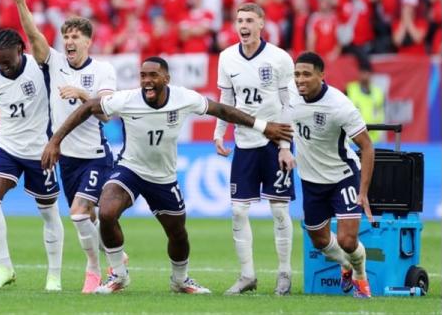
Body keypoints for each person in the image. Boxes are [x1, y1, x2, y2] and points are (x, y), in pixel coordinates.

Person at [41, 57, 293, 294]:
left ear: (166, 78)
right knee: (106, 212)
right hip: (131, 169)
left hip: (163, 177)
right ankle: (118, 274)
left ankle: (180, 279)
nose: (146, 80)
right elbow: (87, 108)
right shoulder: (127, 99)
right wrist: (55, 141)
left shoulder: (183, 98)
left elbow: (222, 110)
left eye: (153, 75)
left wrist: (264, 126)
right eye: (142, 76)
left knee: (177, 233)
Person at [11, 0, 117, 293]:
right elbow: (33, 37)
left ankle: (95, 269)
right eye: (66, 37)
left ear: (88, 42)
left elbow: (107, 114)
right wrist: (21, 3)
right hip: (67, 158)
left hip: (96, 155)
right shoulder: (55, 62)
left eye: (75, 37)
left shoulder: (103, 70)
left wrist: (84, 94)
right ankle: (116, 258)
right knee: (89, 217)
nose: (69, 42)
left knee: (79, 213)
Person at [0, 29, 65, 292]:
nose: (3, 67)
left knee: (49, 212)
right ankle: (5, 268)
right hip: (6, 145)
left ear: (21, 49)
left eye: (8, 61)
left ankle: (54, 276)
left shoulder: (40, 68)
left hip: (41, 149)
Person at [213, 2, 298, 296]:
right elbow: (226, 98)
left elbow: (289, 104)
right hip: (244, 142)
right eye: (239, 20)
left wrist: (286, 147)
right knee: (238, 210)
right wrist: (219, 133)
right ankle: (247, 275)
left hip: (276, 143)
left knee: (278, 210)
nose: (243, 25)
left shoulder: (279, 59)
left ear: (262, 24)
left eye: (249, 20)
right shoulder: (226, 58)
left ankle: (284, 274)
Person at [289, 52, 375, 299]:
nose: (300, 80)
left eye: (306, 74)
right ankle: (345, 265)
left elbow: (367, 146)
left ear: (321, 75)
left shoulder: (339, 105)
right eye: (296, 74)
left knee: (348, 241)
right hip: (310, 180)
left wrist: (363, 192)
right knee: (319, 241)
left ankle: (359, 275)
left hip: (342, 176)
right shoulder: (290, 96)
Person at [345, 58, 385, 143]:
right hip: (354, 139)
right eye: (362, 72)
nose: (365, 75)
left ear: (371, 74)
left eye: (367, 72)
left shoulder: (378, 92)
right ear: (359, 73)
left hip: (374, 139)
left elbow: (381, 115)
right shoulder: (350, 89)